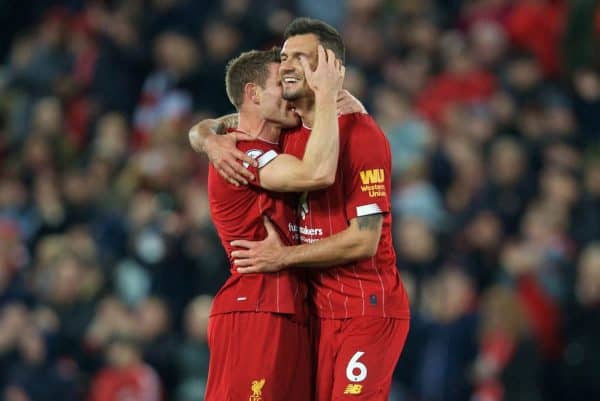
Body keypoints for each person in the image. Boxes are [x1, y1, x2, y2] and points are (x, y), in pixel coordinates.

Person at [191, 18, 410, 401]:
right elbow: (242, 117)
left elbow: (364, 241)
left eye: (299, 58)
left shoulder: (361, 136)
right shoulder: (283, 134)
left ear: (328, 68)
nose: (288, 65)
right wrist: (206, 136)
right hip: (310, 314)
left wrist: (284, 257)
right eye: (285, 58)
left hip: (364, 309)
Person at [202, 46, 345, 401]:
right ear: (253, 94)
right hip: (256, 307)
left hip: (289, 308)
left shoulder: (268, 147)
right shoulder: (240, 153)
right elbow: (317, 173)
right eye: (283, 83)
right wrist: (326, 96)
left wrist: (203, 133)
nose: (294, 91)